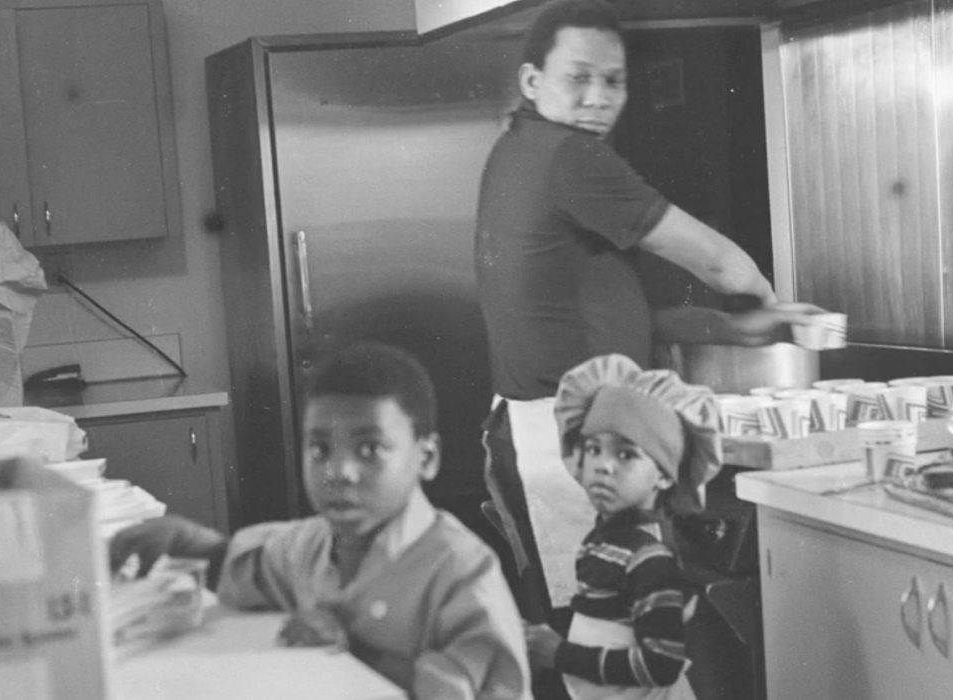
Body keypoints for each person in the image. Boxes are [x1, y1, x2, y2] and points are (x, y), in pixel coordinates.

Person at [474, 0, 795, 622]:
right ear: (532, 82)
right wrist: (780, 319)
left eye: (613, 81)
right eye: (579, 77)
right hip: (571, 447)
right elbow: (722, 265)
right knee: (601, 652)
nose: (597, 97)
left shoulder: (518, 146)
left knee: (591, 645)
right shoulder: (573, 157)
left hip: (537, 433)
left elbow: (587, 296)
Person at [108, 342, 531, 700]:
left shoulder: (460, 569)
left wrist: (355, 653)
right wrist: (181, 538)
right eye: (320, 449)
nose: (339, 471)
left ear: (427, 457)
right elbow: (247, 565)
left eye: (370, 449)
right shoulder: (311, 545)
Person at [523, 353, 721, 700]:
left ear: (663, 475)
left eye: (626, 454)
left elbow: (661, 667)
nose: (603, 466)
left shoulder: (648, 559)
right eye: (593, 449)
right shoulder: (605, 540)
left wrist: (558, 654)